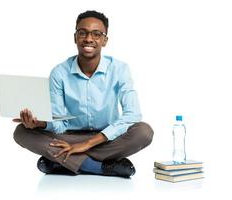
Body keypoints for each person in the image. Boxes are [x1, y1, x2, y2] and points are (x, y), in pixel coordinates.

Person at [13, 10, 153, 178]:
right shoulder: (59, 72)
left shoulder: (120, 69)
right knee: (21, 132)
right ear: (75, 38)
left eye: (96, 34)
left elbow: (132, 115)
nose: (88, 39)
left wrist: (87, 144)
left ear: (104, 40)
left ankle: (60, 162)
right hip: (69, 138)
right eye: (83, 33)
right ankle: (98, 167)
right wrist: (40, 124)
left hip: (107, 138)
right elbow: (59, 124)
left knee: (144, 132)